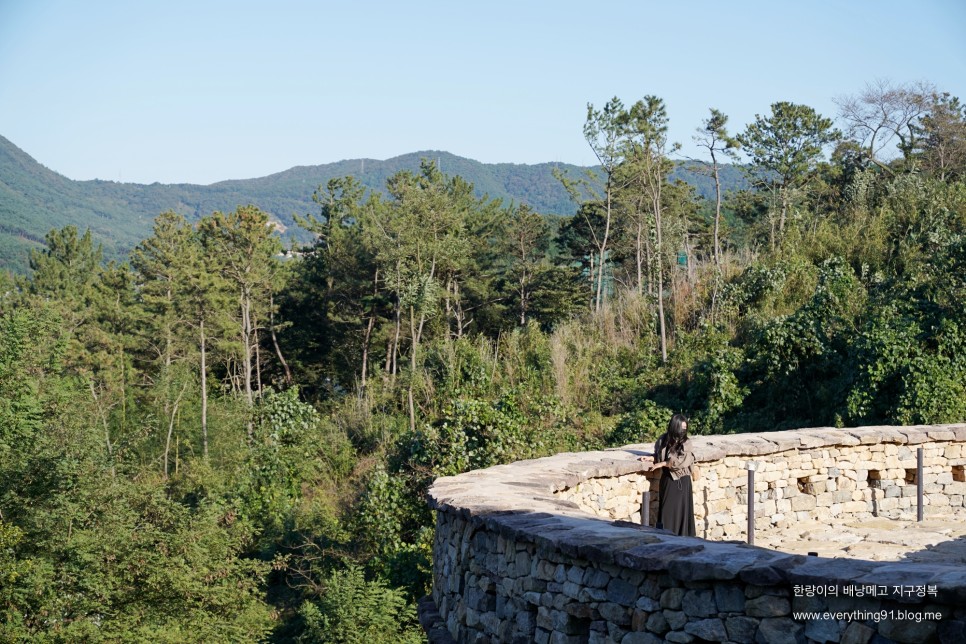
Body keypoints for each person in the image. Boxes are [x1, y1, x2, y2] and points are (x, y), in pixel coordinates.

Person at [639, 414, 696, 537]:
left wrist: (663, 464)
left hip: (681, 482)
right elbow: (660, 455)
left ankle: (681, 539)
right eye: (681, 428)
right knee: (665, 511)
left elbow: (681, 461)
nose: (683, 431)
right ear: (674, 426)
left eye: (685, 428)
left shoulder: (686, 443)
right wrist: (651, 458)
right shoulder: (663, 439)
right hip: (667, 480)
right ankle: (666, 539)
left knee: (678, 513)